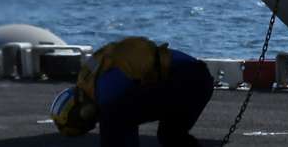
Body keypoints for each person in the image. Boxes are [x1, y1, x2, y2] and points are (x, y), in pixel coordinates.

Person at [49, 36, 214, 146]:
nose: (94, 123)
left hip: (186, 80)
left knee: (115, 123)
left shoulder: (106, 96)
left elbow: (117, 125)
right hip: (196, 77)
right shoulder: (89, 77)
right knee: (171, 136)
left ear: (85, 112)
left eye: (89, 123)